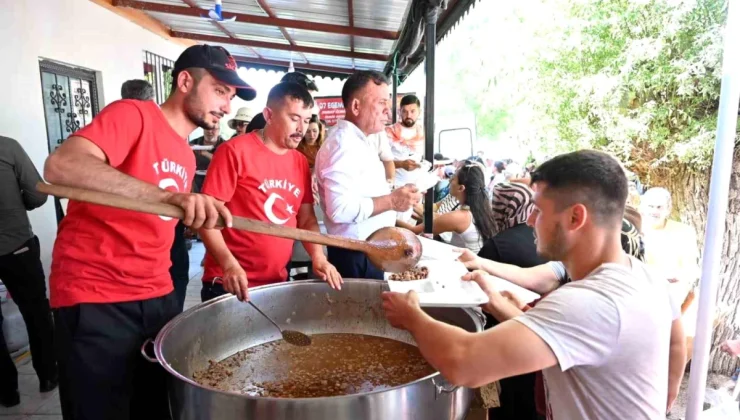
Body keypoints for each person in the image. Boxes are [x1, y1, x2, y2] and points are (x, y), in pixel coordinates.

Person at [382, 150, 685, 419]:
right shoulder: (648, 278)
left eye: (539, 209)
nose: (529, 221)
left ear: (575, 217)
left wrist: (412, 316)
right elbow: (676, 345)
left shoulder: (586, 302)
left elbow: (464, 362)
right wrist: (497, 302)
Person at [43, 44, 254, 419]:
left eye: (231, 95)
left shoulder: (186, 154)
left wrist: (213, 240)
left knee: (154, 409)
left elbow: (160, 223)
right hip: (97, 298)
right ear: (185, 81)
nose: (226, 104)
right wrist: (165, 196)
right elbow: (62, 166)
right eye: (220, 90)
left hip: (157, 298)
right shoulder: (134, 115)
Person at [200, 82, 341, 302]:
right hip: (230, 282)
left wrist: (318, 256)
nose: (301, 128)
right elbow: (205, 217)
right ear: (269, 115)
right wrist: (228, 264)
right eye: (293, 118)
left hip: (277, 282)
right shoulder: (234, 152)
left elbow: (305, 220)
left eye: (306, 120)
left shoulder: (299, 162)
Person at [315, 71, 422, 279]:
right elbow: (340, 209)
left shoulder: (358, 140)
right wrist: (392, 201)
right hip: (355, 255)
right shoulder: (343, 145)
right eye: (381, 103)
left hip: (365, 251)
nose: (388, 113)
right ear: (356, 106)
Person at [0, 136, 57, 407]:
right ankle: (48, 375)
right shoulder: (6, 147)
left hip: (15, 243)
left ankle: (6, 392)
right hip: (16, 245)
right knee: (36, 313)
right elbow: (37, 192)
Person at [398, 162, 495, 254]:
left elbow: (414, 231)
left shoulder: (459, 216)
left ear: (461, 188)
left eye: (453, 178)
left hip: (465, 265)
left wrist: (390, 213)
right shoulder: (481, 208)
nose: (449, 180)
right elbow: (434, 217)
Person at [189, 125, 225, 193]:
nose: (210, 131)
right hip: (195, 181)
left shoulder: (225, 145)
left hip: (215, 183)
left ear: (219, 130)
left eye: (213, 129)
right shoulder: (194, 143)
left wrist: (205, 153)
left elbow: (224, 164)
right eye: (207, 128)